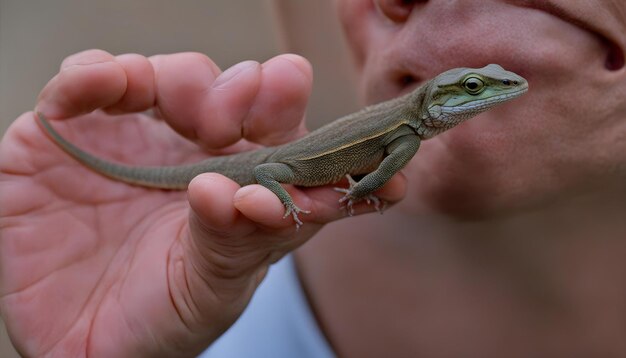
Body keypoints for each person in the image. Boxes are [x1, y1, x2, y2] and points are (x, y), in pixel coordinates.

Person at [1, 0, 625, 356]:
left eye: (479, 83)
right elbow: (365, 177)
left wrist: (355, 190)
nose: (487, 90)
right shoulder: (406, 137)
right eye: (471, 87)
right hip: (272, 175)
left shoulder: (408, 133)